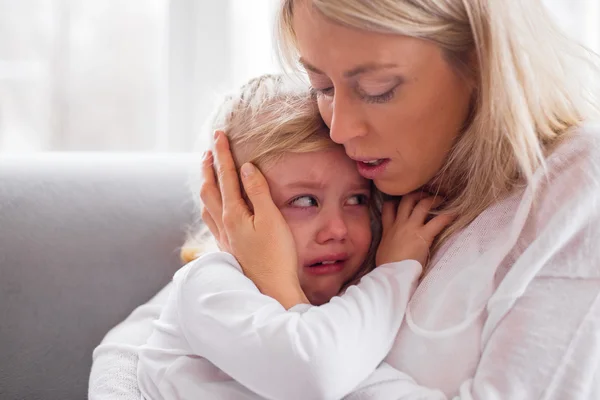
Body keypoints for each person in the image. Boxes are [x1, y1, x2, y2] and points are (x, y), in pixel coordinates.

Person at [197, 0, 600, 399]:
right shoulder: (375, 178)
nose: (339, 129)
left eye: (378, 89)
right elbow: (154, 344)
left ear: (481, 62)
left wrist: (281, 300)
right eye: (322, 87)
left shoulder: (578, 188)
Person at [134, 74, 451, 400]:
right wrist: (395, 272)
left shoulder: (351, 295)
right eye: (304, 201)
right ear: (233, 210)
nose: (337, 230)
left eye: (356, 199)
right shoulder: (209, 285)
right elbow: (316, 374)